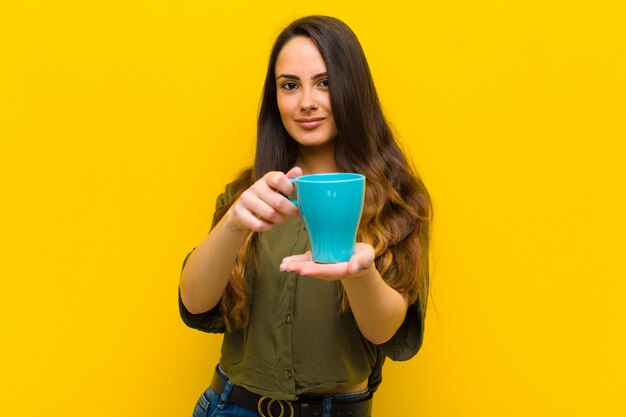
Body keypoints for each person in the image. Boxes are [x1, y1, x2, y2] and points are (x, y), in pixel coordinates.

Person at [179, 15, 432, 417]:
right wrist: (233, 223)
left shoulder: (397, 201)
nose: (306, 102)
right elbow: (193, 303)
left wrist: (359, 272)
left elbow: (386, 331)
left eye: (325, 82)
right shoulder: (251, 194)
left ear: (352, 89)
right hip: (232, 406)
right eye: (290, 86)